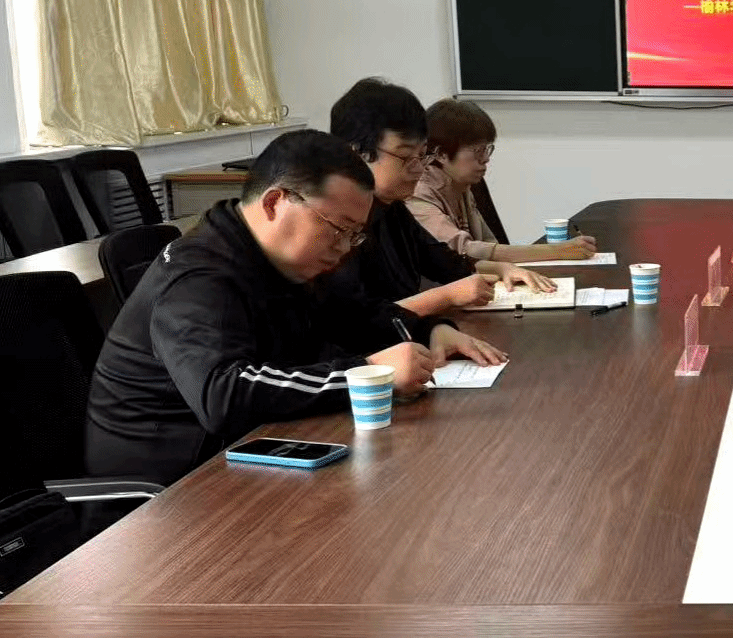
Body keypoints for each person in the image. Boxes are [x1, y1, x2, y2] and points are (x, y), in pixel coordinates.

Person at [84, 130, 501, 486]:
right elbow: (223, 394)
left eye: (354, 235)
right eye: (338, 229)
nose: (343, 248)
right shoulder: (199, 276)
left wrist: (430, 329)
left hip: (253, 454)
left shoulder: (283, 258)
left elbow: (354, 314)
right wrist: (368, 374)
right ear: (274, 203)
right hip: (170, 489)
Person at [323, 77, 553, 315]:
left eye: (422, 155)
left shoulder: (392, 208)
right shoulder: (333, 227)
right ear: (357, 153)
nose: (418, 168)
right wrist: (447, 296)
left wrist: (501, 269)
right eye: (406, 157)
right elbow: (356, 321)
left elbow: (446, 263)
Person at [409, 99, 598, 264]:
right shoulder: (417, 193)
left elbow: (491, 246)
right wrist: (556, 251)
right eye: (477, 151)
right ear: (441, 154)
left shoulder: (461, 184)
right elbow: (462, 250)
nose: (485, 159)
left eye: (487, 149)